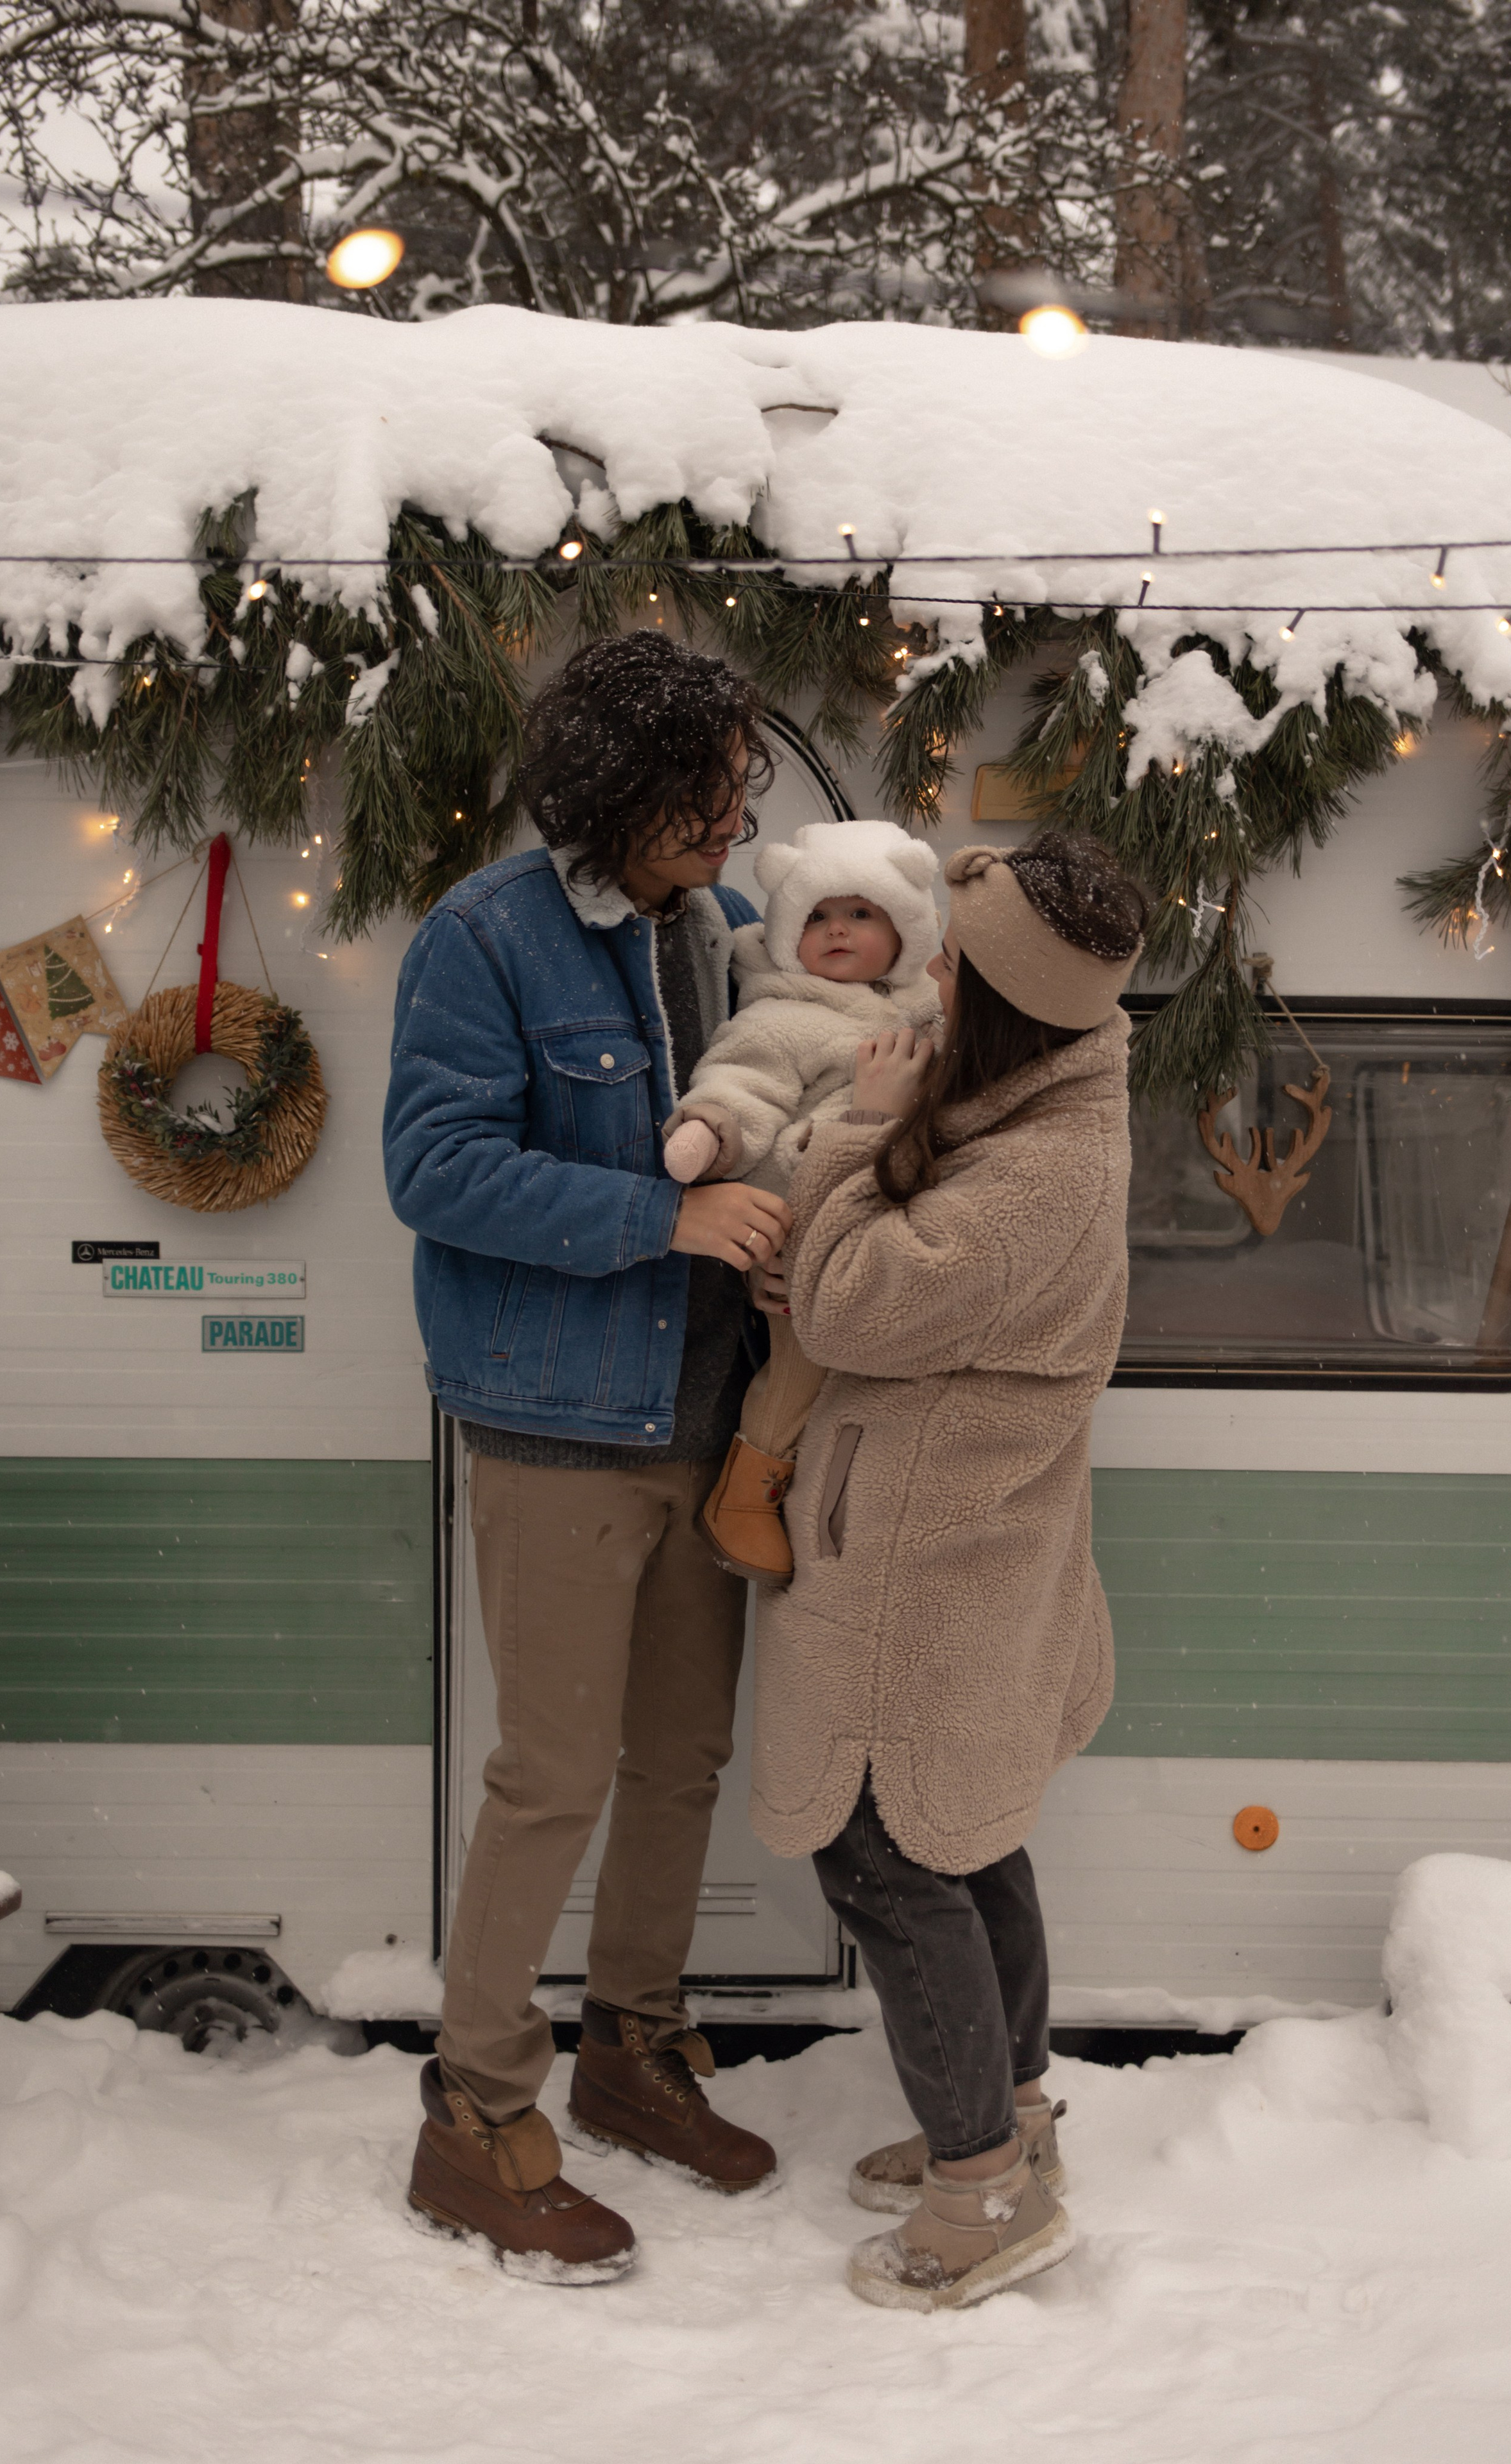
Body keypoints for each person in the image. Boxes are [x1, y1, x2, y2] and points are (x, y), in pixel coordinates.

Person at [382, 633, 790, 2285]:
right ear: (615, 783)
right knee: (548, 1775)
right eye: (700, 788)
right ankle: (472, 2113)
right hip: (557, 1425)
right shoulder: (485, 934)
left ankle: (631, 2047)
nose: (728, 818)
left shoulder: (733, 934)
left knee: (681, 1758)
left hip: (716, 1428)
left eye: (737, 785)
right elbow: (435, 1167)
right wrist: (662, 1215)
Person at [747, 830, 1149, 2313]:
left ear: (1002, 993)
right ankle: (1013, 2113)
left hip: (926, 1563)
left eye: (953, 960)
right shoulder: (1033, 1096)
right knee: (965, 1832)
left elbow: (854, 1300)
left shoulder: (1041, 1166)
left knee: (887, 1848)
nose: (927, 971)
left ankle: (979, 2189)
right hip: (962, 1544)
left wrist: (855, 1132)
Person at [660, 819, 943, 1582]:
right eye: (816, 916)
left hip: (882, 1227)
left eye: (859, 914)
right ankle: (747, 1494)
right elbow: (741, 1082)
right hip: (802, 1223)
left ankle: (810, 1488)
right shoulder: (783, 1013)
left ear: (904, 931)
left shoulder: (926, 1013)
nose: (836, 930)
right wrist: (711, 1132)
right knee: (802, 1363)